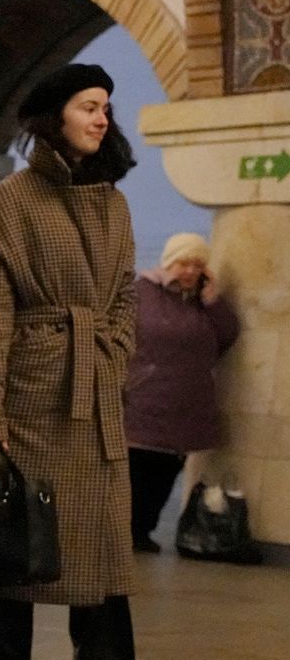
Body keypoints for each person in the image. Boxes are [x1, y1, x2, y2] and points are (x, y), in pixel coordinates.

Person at [0, 62, 162, 660]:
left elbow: (127, 294)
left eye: (106, 105)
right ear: (54, 116)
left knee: (105, 546)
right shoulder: (12, 201)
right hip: (34, 397)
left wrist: (120, 348)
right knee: (15, 544)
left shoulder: (114, 199)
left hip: (98, 394)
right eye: (87, 104)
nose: (101, 116)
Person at [125, 232, 240, 552]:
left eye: (198, 264)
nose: (190, 271)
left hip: (185, 406)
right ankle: (122, 531)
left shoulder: (205, 303)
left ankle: (142, 530)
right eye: (183, 263)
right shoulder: (141, 292)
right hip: (142, 401)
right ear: (168, 262)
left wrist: (213, 301)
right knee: (134, 471)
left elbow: (227, 335)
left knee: (164, 475)